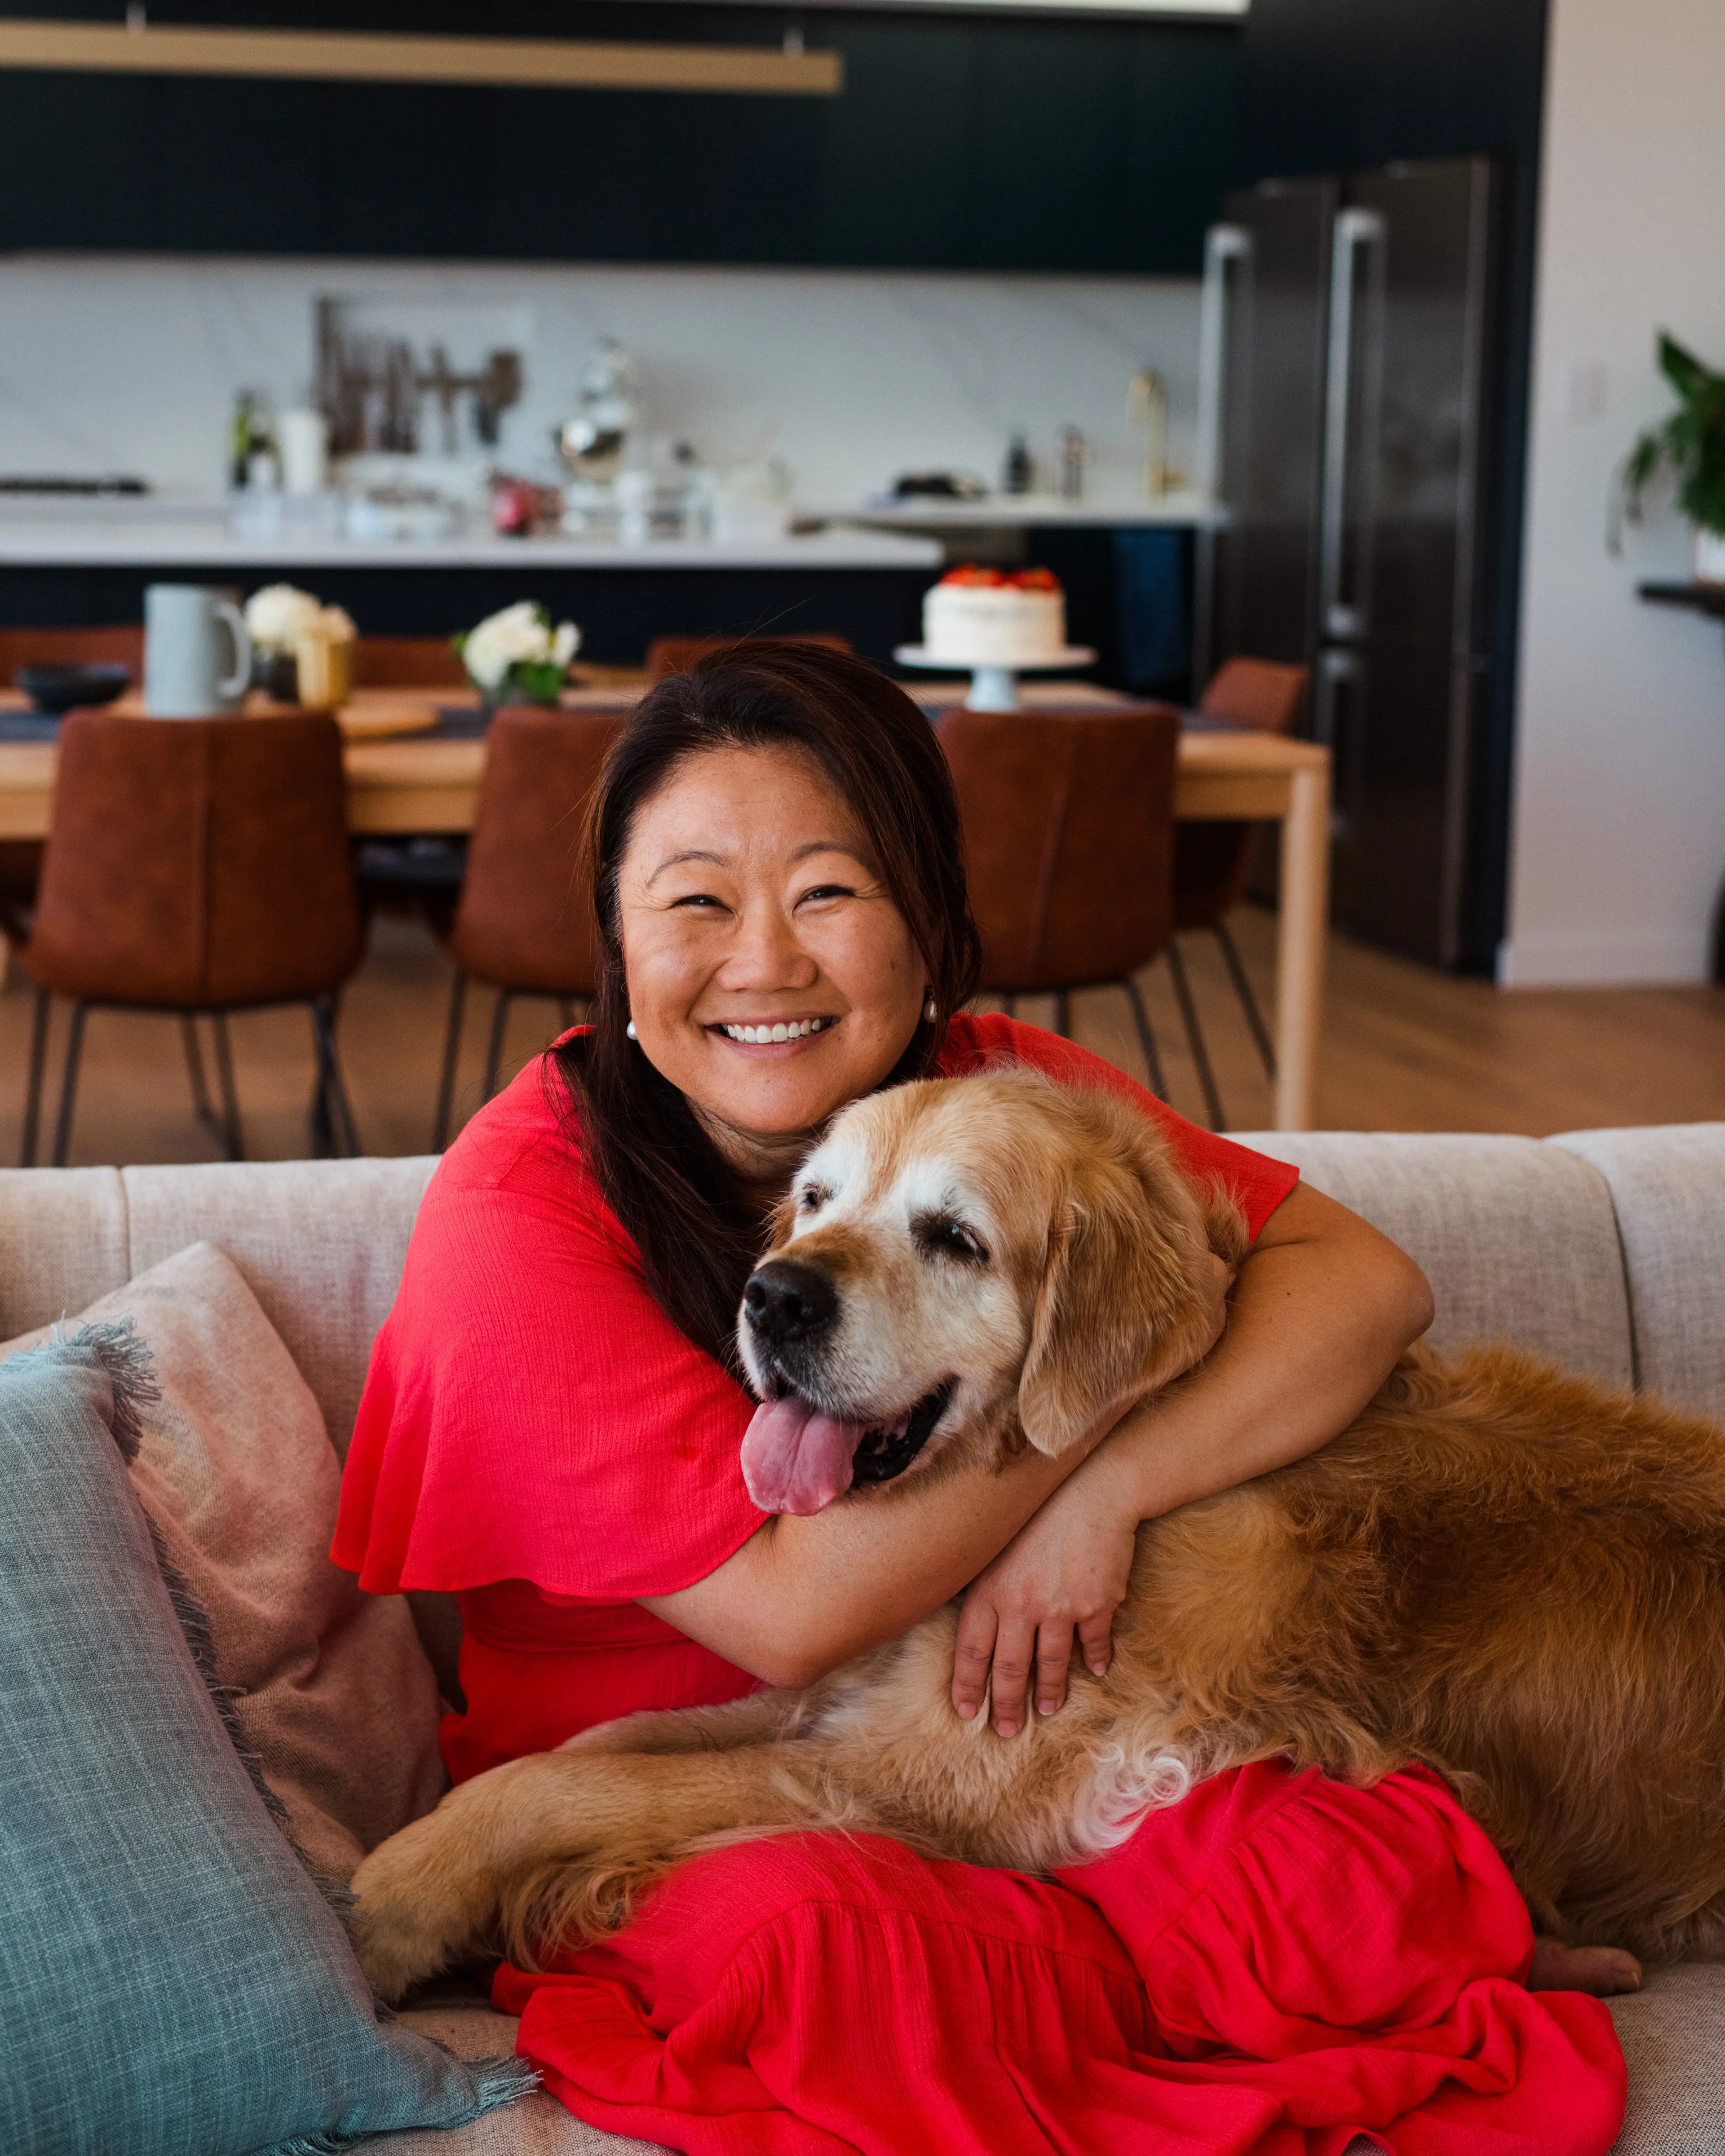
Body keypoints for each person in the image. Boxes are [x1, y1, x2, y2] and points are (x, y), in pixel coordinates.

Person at [333, 645, 1623, 2155]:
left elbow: (1362, 1284)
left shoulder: (997, 1097)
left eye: (829, 890)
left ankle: (1296, 1966)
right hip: (672, 1770)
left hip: (1010, 1718)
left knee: (1328, 1875)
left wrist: (1103, 1491)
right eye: (696, 901)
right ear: (617, 946)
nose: (765, 961)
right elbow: (797, 1620)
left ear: (932, 928)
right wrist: (1090, 1428)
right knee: (833, 1956)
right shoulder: (519, 1208)